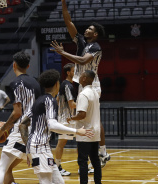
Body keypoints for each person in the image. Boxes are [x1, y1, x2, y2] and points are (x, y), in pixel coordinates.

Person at [50, 0, 110, 169]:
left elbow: (83, 60)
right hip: (82, 84)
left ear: (96, 34)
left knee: (93, 118)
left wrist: (63, 52)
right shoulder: (83, 42)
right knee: (86, 120)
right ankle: (94, 158)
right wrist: (63, 5)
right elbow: (68, 22)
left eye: (90, 29)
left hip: (93, 84)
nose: (86, 30)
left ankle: (103, 152)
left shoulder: (96, 47)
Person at [19, 69, 93, 184]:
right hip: (39, 147)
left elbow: (23, 124)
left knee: (59, 182)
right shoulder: (49, 100)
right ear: (57, 84)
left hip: (41, 147)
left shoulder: (39, 100)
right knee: (45, 181)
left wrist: (29, 149)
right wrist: (77, 131)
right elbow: (52, 125)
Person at [0, 51, 41, 184]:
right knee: (9, 167)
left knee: (1, 167)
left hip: (22, 128)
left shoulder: (14, 84)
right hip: (35, 127)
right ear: (28, 66)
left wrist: (3, 129)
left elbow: (17, 113)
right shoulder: (36, 83)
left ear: (14, 65)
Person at [67, 70, 102, 184]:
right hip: (95, 131)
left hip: (85, 132)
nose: (79, 77)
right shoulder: (95, 93)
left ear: (84, 79)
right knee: (95, 160)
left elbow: (82, 114)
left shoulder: (83, 94)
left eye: (81, 76)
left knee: (82, 161)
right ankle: (98, 182)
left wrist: (71, 118)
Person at [55, 63, 76, 176]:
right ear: (68, 73)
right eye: (74, 71)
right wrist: (86, 105)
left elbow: (57, 99)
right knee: (61, 143)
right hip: (66, 119)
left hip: (67, 118)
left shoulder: (64, 84)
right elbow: (72, 104)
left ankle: (84, 166)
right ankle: (57, 167)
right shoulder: (67, 85)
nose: (75, 72)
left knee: (81, 140)